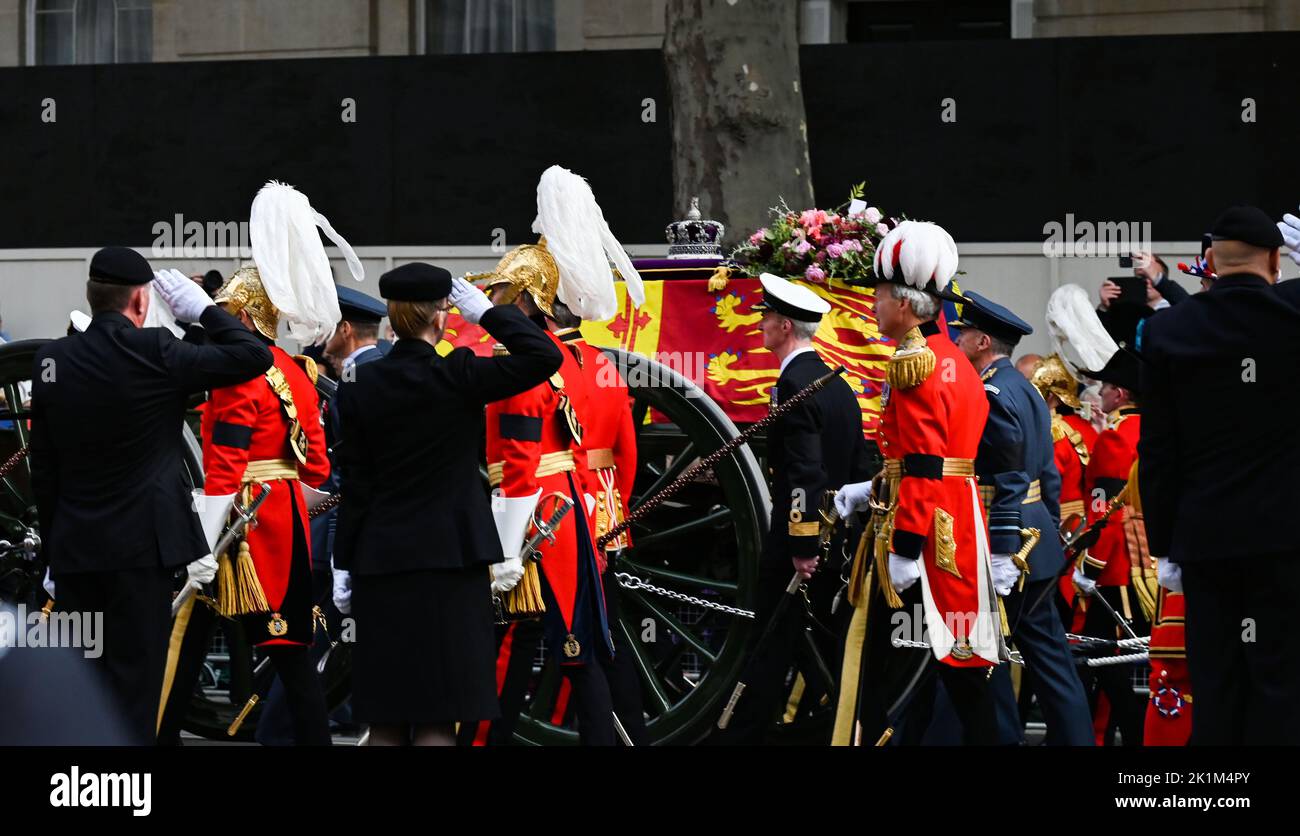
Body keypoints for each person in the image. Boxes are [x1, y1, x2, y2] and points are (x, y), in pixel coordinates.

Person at [30, 246, 273, 743]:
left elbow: (45, 467)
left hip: (78, 551)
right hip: (143, 551)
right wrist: (201, 308)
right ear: (141, 301)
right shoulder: (156, 351)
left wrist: (56, 547)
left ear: (92, 297)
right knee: (136, 687)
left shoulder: (51, 359)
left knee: (88, 684)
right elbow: (255, 355)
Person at [331, 262, 562, 746]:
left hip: (382, 558)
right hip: (451, 560)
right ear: (441, 317)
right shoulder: (459, 373)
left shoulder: (360, 384)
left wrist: (343, 563)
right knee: (438, 717)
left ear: (392, 318)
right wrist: (488, 314)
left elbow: (356, 481)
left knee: (388, 717)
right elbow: (542, 355)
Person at [474, 164, 647, 746]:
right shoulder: (598, 363)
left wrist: (504, 540)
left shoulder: (522, 365)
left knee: (509, 648)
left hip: (534, 518)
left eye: (501, 297)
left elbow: (517, 457)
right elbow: (624, 453)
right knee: (587, 644)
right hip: (591, 510)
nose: (492, 307)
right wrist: (611, 508)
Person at [833, 221, 1000, 746]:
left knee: (935, 659)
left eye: (880, 296)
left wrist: (905, 546)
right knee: (948, 657)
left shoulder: (917, 363)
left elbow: (927, 462)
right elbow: (925, 455)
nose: (874, 306)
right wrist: (872, 485)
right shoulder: (951, 358)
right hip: (950, 513)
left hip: (925, 527)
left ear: (904, 304)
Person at [1142, 205, 1300, 744]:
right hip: (1285, 540)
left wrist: (1163, 546)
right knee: (1280, 685)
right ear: (1277, 261)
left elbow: (1158, 450)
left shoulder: (1168, 331)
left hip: (1205, 540)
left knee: (1215, 683)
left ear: (1209, 260)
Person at [716, 273, 869, 744]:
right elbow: (859, 460)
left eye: (765, 316)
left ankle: (747, 733)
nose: (760, 323)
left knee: (773, 641)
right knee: (814, 639)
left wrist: (802, 543)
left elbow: (803, 472)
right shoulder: (835, 382)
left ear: (783, 326)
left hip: (803, 542)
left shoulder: (795, 383)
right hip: (837, 533)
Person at [951, 291, 1093, 746]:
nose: (957, 341)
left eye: (964, 333)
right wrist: (1047, 533)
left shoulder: (991, 393)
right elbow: (1047, 476)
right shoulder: (1025, 389)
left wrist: (1003, 551)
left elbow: (1010, 478)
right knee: (1050, 659)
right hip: (1037, 545)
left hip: (1006, 544)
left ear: (982, 341)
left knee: (982, 655)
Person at [1073, 341, 1149, 746]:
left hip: (1119, 570)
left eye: (1104, 388)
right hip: (1150, 566)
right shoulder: (1149, 428)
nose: (1099, 394)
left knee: (1106, 662)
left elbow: (1107, 516)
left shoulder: (1115, 439)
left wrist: (1089, 568)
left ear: (1119, 394)